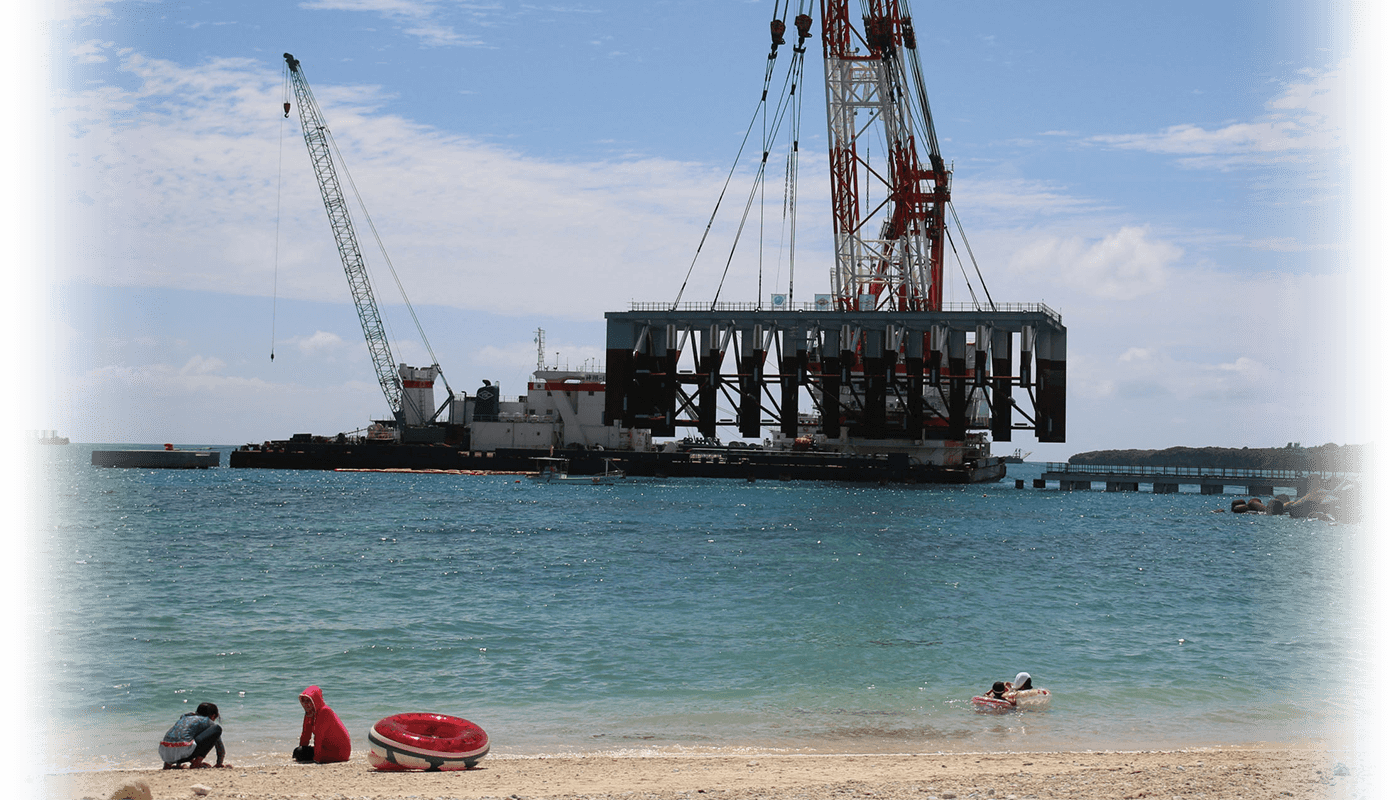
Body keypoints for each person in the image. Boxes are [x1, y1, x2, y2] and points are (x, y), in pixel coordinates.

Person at [158, 702, 229, 769]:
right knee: (217, 729)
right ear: (213, 716)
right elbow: (219, 746)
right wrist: (219, 763)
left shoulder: (185, 717)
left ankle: (167, 765)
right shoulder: (208, 721)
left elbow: (180, 737)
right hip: (183, 752)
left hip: (164, 753)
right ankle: (197, 763)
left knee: (184, 737)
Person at [293, 685, 352, 763]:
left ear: (315, 700)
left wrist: (317, 759)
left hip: (339, 752)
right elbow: (305, 735)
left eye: (308, 701)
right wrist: (302, 748)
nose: (305, 704)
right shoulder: (309, 713)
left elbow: (319, 737)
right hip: (325, 748)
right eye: (303, 701)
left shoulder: (324, 711)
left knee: (300, 753)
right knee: (298, 752)